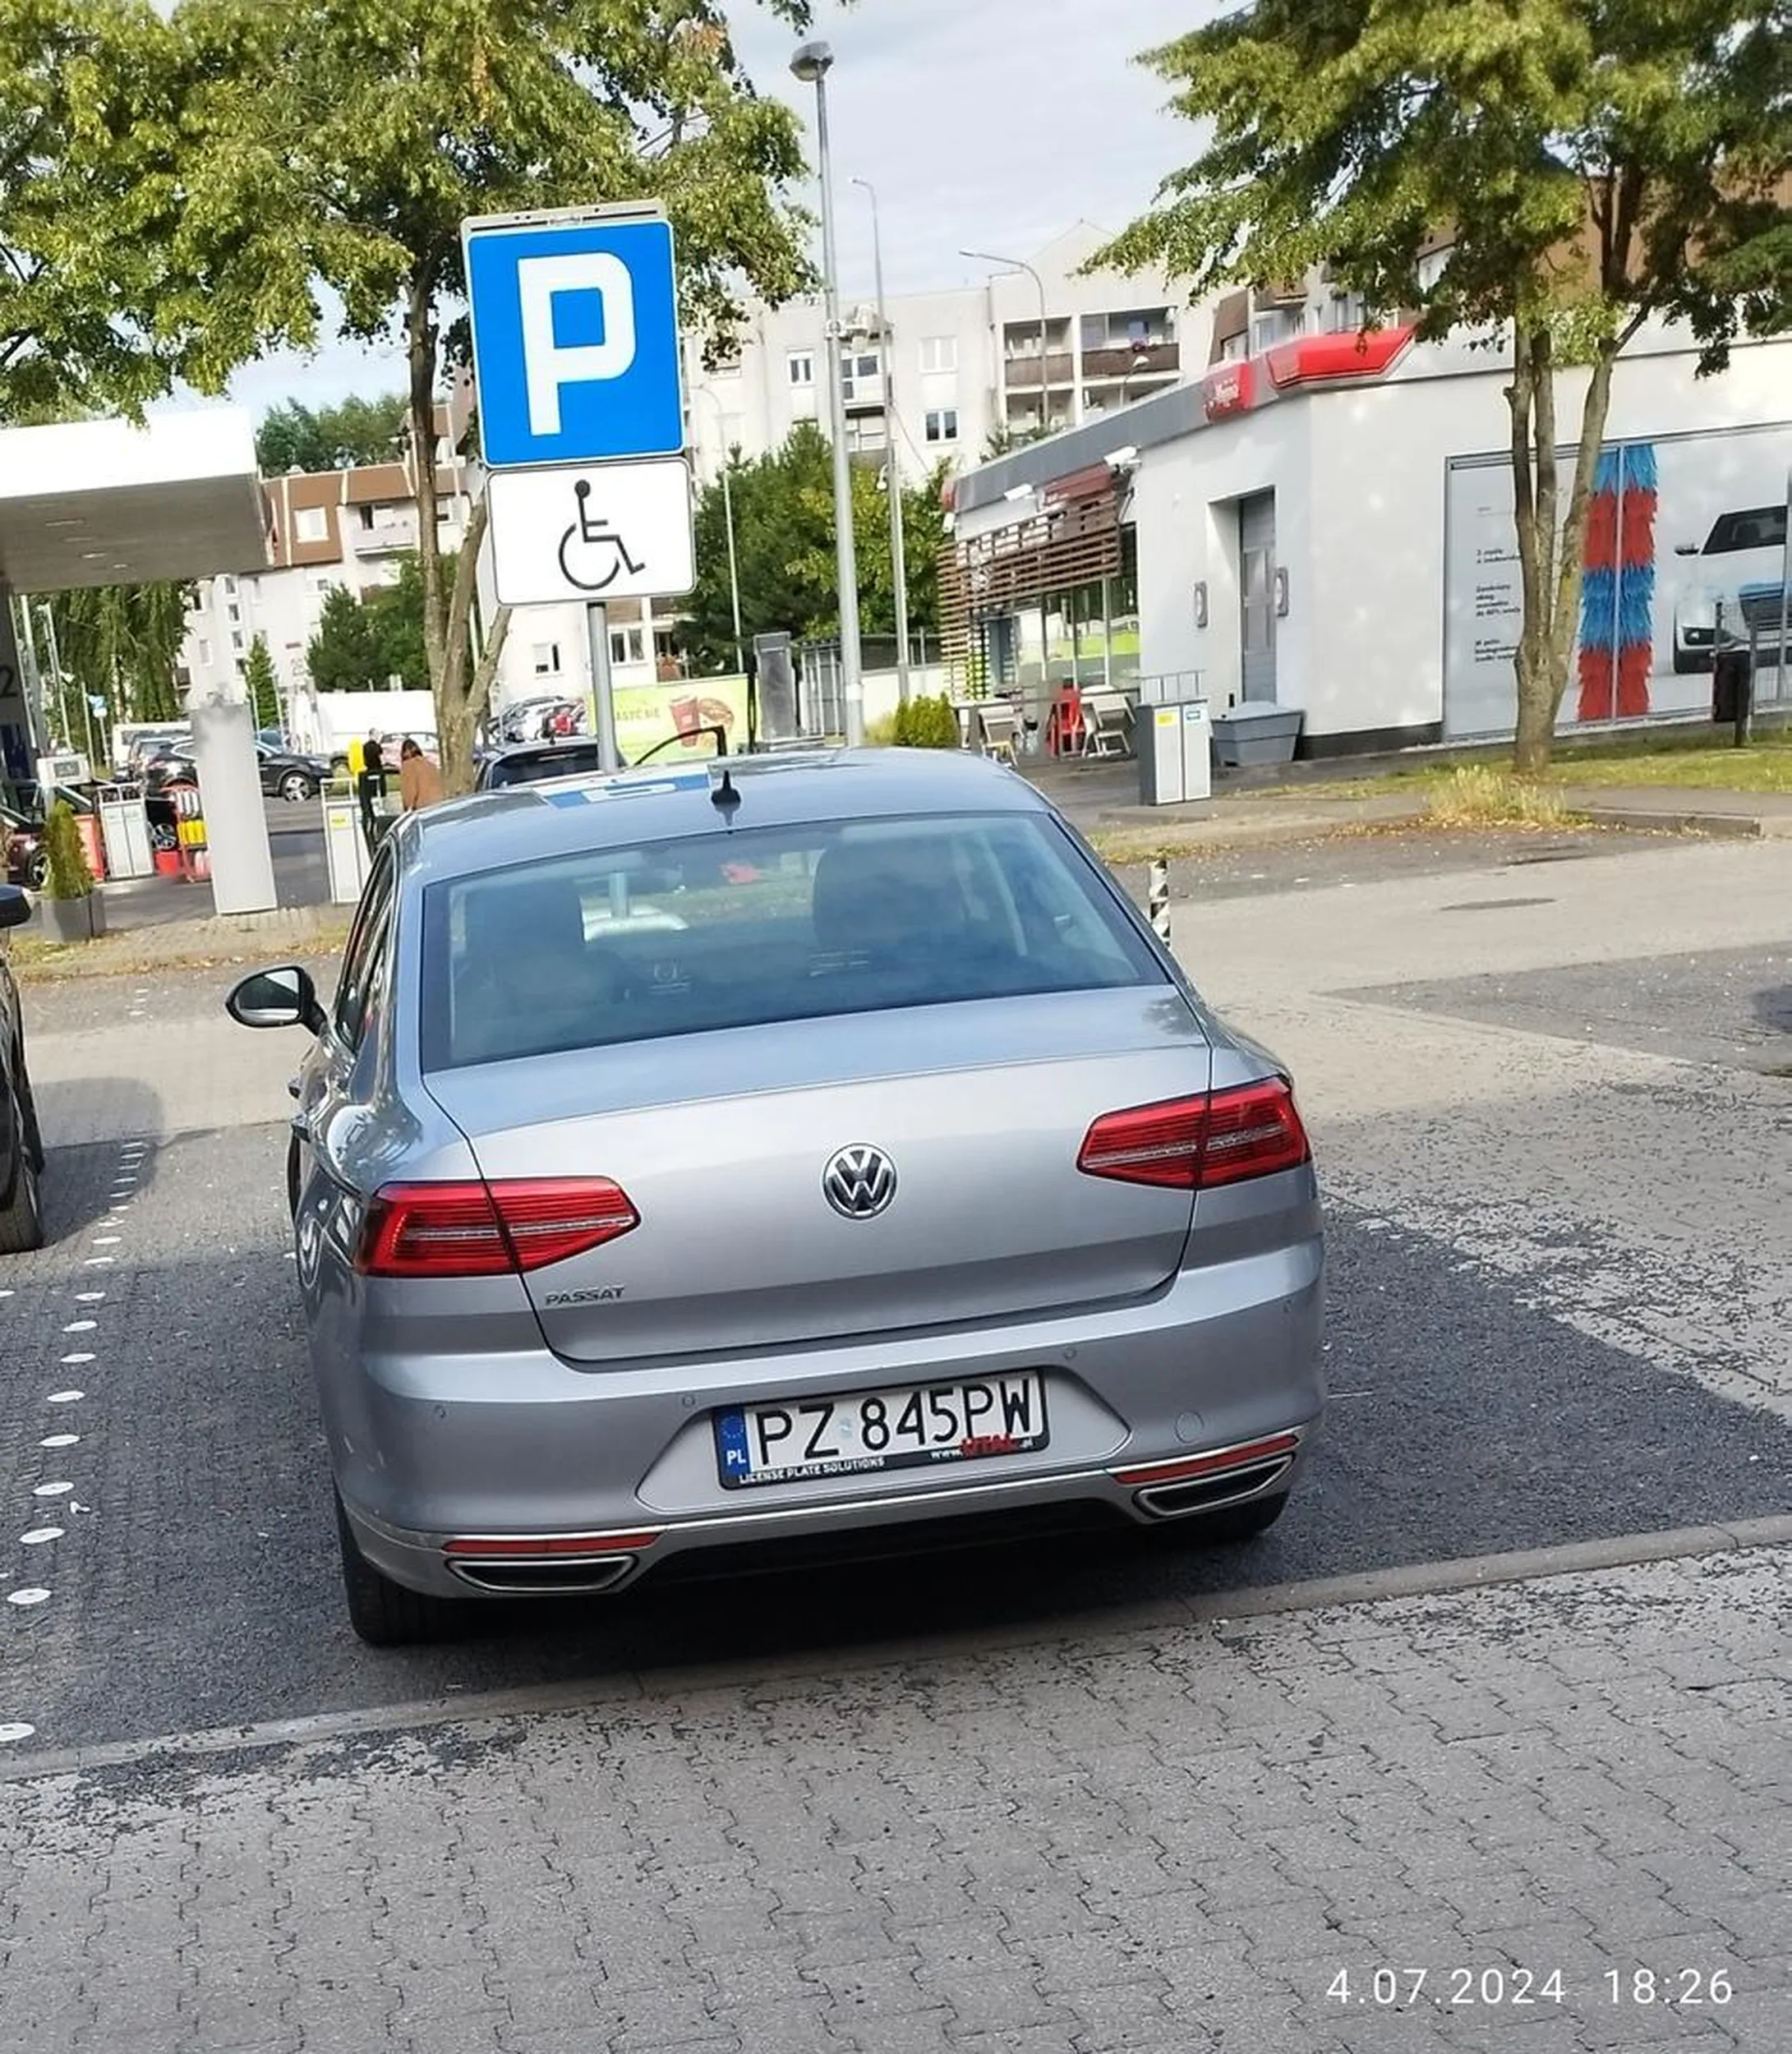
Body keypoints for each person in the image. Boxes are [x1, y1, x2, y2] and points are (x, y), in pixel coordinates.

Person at [356, 738, 392, 855]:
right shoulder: (387, 774)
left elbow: (364, 800)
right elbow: (383, 793)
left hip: (370, 819)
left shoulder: (363, 777)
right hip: (385, 818)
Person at [398, 736, 445, 812]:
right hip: (439, 806)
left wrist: (408, 808)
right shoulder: (430, 765)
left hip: (423, 809)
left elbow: (410, 792)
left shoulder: (408, 765)